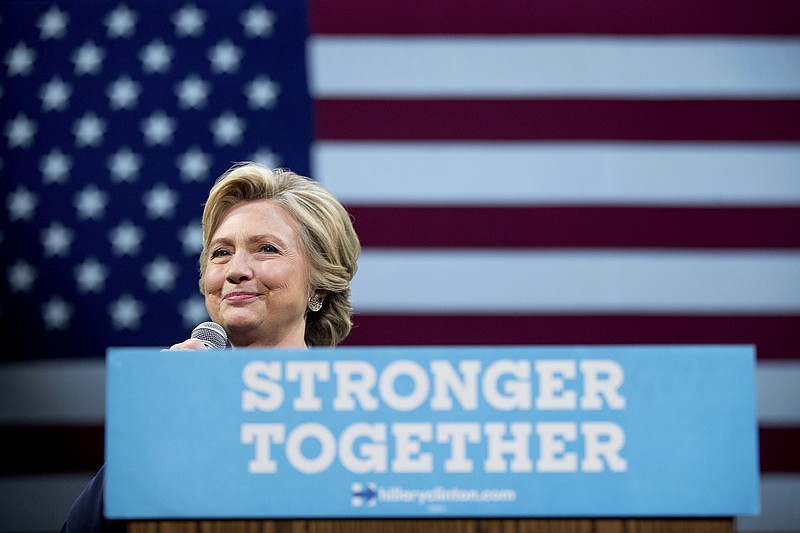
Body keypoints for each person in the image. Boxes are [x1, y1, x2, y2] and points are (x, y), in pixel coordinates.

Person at [61, 162, 361, 531]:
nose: (236, 269)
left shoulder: (353, 414)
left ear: (319, 285)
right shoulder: (183, 413)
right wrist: (153, 427)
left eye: (265, 249)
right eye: (221, 253)